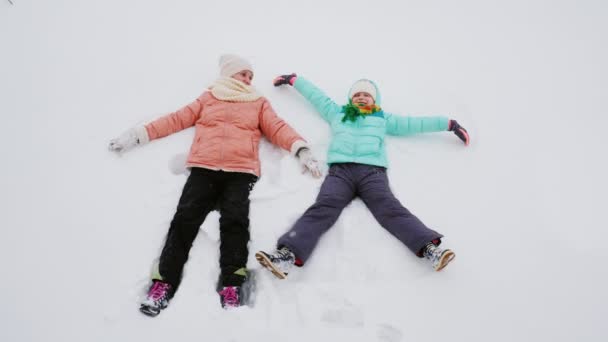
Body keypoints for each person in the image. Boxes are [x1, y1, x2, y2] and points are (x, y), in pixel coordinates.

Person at [108, 56, 322, 315]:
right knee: (184, 222)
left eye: (250, 76)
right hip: (203, 170)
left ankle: (232, 286)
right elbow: (175, 119)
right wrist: (138, 135)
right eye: (242, 74)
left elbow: (278, 128)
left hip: (241, 173)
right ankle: (163, 284)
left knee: (235, 224)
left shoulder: (257, 102)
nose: (247, 79)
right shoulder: (208, 98)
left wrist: (301, 148)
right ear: (228, 74)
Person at [256, 73, 469, 279]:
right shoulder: (337, 113)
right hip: (340, 173)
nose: (361, 97)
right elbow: (317, 97)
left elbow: (414, 123)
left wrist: (448, 124)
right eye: (357, 94)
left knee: (390, 209)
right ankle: (287, 255)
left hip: (372, 173)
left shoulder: (383, 119)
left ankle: (430, 249)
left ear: (374, 99)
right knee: (323, 208)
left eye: (366, 95)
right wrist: (295, 80)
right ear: (351, 98)